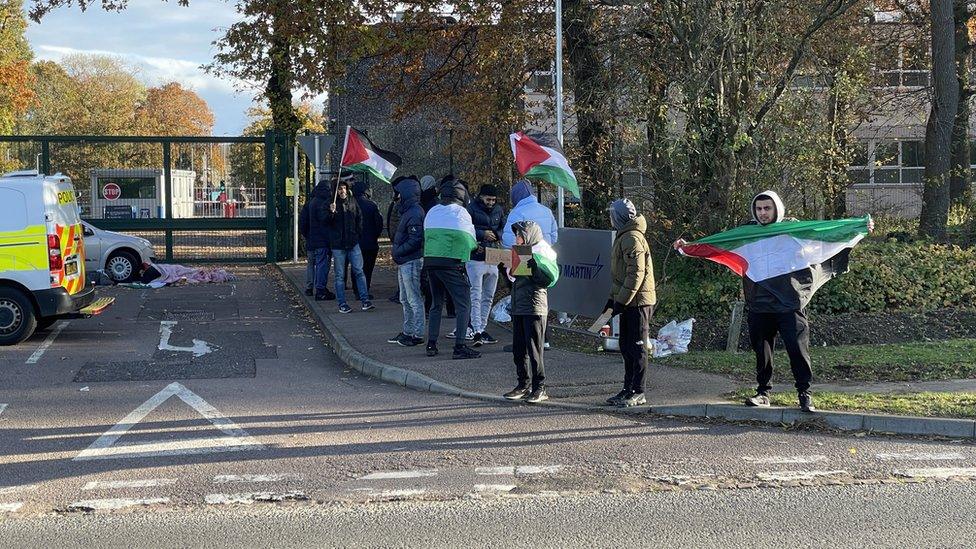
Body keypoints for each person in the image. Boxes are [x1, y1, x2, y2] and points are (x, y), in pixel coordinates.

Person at [673, 191, 874, 413]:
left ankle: (804, 393)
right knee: (762, 351)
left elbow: (827, 236)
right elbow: (717, 244)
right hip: (759, 304)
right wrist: (687, 246)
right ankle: (763, 393)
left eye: (767, 208)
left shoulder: (794, 232)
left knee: (797, 350)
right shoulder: (746, 235)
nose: (762, 213)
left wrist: (859, 227)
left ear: (776, 209)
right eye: (759, 209)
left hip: (790, 303)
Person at [603, 198, 656, 408]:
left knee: (637, 346)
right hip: (629, 301)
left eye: (612, 214)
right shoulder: (623, 236)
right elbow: (620, 275)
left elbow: (636, 274)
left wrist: (621, 302)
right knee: (625, 346)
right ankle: (628, 388)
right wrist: (611, 300)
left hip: (639, 302)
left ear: (619, 217)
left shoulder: (632, 238)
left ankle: (638, 391)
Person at [423, 177, 480, 360]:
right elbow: (470, 242)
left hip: (431, 263)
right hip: (452, 264)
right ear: (462, 197)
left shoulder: (432, 211)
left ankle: (431, 344)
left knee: (436, 304)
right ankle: (460, 346)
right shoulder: (461, 213)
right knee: (463, 304)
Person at [503, 221, 558, 404]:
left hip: (535, 307)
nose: (517, 239)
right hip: (520, 307)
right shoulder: (520, 254)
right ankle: (523, 384)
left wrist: (534, 265)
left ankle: (540, 387)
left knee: (534, 349)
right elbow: (514, 282)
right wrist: (504, 269)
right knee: (519, 349)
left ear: (529, 237)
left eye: (520, 235)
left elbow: (547, 280)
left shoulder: (543, 254)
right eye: (516, 235)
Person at [502, 179, 559, 351]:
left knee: (521, 300)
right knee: (540, 299)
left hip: (523, 257)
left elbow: (507, 239)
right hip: (545, 257)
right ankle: (544, 339)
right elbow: (555, 236)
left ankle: (523, 341)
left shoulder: (516, 212)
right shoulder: (546, 210)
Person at [325, 177, 374, 313]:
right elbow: (325, 222)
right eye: (340, 189)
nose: (342, 191)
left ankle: (365, 299)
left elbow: (359, 217)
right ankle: (342, 303)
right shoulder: (330, 203)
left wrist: (357, 234)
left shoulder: (352, 201)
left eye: (344, 188)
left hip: (352, 242)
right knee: (340, 275)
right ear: (336, 190)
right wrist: (331, 212)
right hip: (338, 245)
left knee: (359, 271)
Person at [388, 176, 425, 347]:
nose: (396, 198)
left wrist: (398, 252)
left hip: (410, 260)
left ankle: (417, 333)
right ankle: (408, 331)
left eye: (398, 194)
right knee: (405, 298)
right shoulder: (408, 211)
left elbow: (416, 239)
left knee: (413, 298)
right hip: (405, 260)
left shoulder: (415, 212)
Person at [466, 183, 505, 346]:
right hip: (476, 256)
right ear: (481, 196)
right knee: (476, 294)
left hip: (493, 256)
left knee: (488, 296)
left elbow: (504, 228)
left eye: (493, 200)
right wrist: (482, 234)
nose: (491, 202)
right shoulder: (471, 209)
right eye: (488, 199)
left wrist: (495, 234)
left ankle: (482, 327)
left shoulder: (499, 210)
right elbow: (466, 228)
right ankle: (476, 329)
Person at [351, 180, 384, 299]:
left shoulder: (350, 205)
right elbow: (379, 224)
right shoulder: (372, 205)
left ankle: (356, 291)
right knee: (368, 269)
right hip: (370, 243)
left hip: (355, 243)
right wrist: (374, 236)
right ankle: (365, 290)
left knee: (356, 268)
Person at [306, 179, 335, 301]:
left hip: (313, 238)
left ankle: (316, 287)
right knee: (322, 264)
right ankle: (320, 289)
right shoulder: (324, 203)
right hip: (323, 239)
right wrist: (332, 213)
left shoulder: (313, 202)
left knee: (314, 264)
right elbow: (325, 220)